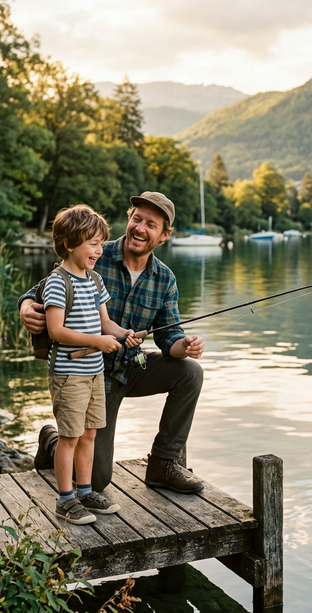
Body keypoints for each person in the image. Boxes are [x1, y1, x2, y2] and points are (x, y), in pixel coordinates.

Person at [20, 191, 205, 494]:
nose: (140, 228)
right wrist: (26, 308)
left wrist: (184, 345)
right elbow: (35, 293)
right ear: (129, 219)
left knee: (190, 372)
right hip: (87, 375)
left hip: (131, 369)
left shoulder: (165, 279)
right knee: (96, 480)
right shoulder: (93, 251)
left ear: (165, 235)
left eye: (151, 224)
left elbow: (168, 336)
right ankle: (53, 441)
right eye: (137, 219)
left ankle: (163, 464)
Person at [43, 204, 141, 525]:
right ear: (69, 244)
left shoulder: (95, 280)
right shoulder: (58, 282)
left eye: (101, 244)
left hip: (94, 373)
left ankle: (85, 492)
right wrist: (96, 342)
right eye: (92, 244)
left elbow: (105, 323)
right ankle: (65, 499)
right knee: (69, 437)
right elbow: (56, 330)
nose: (99, 250)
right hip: (69, 373)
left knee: (89, 435)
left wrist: (123, 333)